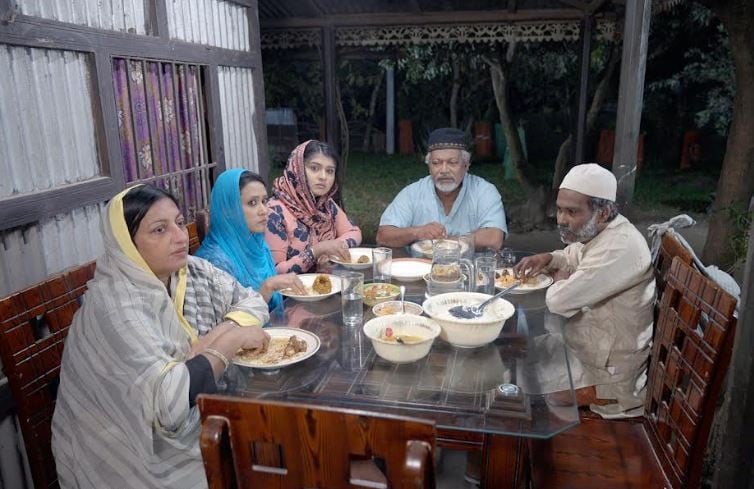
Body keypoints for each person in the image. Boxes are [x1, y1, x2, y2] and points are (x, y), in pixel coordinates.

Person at [52, 185, 271, 488]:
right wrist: (230, 342)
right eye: (159, 230)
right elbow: (168, 406)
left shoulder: (190, 271)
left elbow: (252, 301)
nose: (181, 237)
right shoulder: (115, 307)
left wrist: (218, 335)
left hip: (197, 416)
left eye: (179, 223)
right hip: (129, 455)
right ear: (126, 244)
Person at [514, 163, 656, 418]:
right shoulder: (605, 229)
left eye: (572, 212)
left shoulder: (619, 246)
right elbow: (573, 255)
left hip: (608, 376)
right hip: (585, 347)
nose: (561, 219)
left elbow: (558, 301)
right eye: (559, 209)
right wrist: (549, 258)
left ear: (603, 212)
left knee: (514, 391)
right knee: (510, 360)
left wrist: (560, 279)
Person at [376, 127, 507, 250]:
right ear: (429, 167)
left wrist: (446, 243)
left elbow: (494, 238)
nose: (444, 170)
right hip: (421, 265)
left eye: (452, 162)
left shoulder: (484, 191)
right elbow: (383, 236)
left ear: (466, 165)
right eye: (436, 163)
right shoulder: (412, 193)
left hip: (470, 265)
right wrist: (417, 232)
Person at [196, 169, 307, 311]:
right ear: (228, 209)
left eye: (264, 201)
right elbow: (226, 321)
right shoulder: (213, 263)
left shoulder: (258, 245)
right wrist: (267, 288)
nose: (264, 210)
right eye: (252, 203)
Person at [266, 140, 362, 274]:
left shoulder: (326, 205)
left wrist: (332, 249)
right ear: (297, 168)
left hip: (325, 283)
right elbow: (275, 272)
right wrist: (316, 251)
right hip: (290, 287)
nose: (323, 177)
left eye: (330, 171)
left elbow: (354, 232)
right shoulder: (274, 212)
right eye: (314, 168)